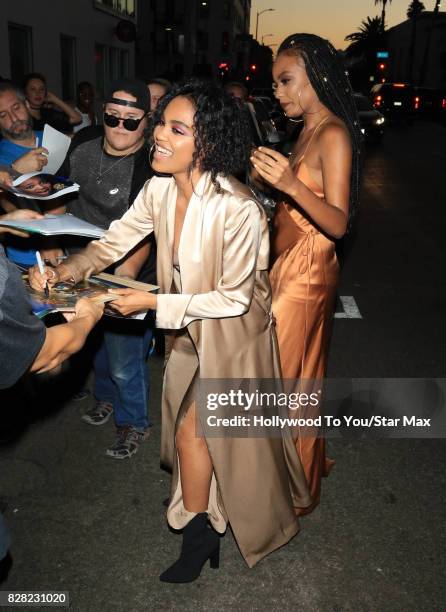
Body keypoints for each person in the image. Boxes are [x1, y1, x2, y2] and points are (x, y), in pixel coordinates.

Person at [29, 80, 311, 581]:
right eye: (161, 123)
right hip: (186, 330)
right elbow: (113, 241)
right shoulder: (158, 188)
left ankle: (198, 537)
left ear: (206, 145)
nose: (158, 135)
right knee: (196, 437)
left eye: (175, 129)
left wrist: (150, 302)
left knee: (196, 432)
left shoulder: (239, 208)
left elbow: (234, 298)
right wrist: (72, 269)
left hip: (235, 337)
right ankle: (201, 512)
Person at [251, 33, 363, 515]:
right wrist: (269, 187)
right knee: (288, 378)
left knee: (288, 382)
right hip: (288, 265)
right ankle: (294, 471)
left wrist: (289, 183)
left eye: (285, 80)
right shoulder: (308, 128)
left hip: (308, 271)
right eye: (276, 82)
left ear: (317, 78)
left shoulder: (333, 133)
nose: (277, 91)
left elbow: (338, 221)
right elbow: (297, 202)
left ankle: (291, 489)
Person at [51, 77, 157, 460]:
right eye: (114, 118)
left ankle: (135, 423)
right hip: (80, 261)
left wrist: (123, 282)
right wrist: (51, 250)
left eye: (132, 121)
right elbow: (58, 194)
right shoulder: (82, 144)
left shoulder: (151, 165)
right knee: (94, 345)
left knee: (125, 355)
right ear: (103, 114)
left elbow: (143, 234)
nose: (120, 128)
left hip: (127, 266)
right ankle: (106, 399)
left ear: (147, 121)